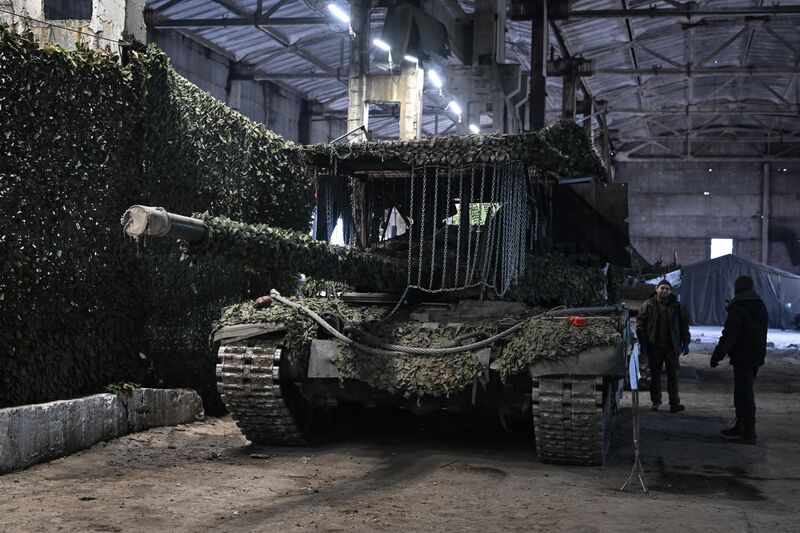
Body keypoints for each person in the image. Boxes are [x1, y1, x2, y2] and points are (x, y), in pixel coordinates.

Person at [710, 275, 768, 444]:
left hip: (743, 356)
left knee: (745, 394)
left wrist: (717, 356)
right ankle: (740, 426)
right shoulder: (760, 305)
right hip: (756, 355)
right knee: (742, 392)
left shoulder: (739, 308)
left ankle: (749, 433)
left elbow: (729, 335)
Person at [636, 279, 691, 413]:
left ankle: (674, 403)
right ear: (657, 289)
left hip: (671, 347)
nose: (664, 291)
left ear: (670, 291)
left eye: (667, 289)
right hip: (654, 346)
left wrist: (686, 343)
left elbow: (684, 326)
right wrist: (643, 343)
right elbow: (641, 325)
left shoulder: (677, 306)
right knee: (655, 375)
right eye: (662, 288)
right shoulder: (648, 305)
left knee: (673, 376)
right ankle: (656, 402)